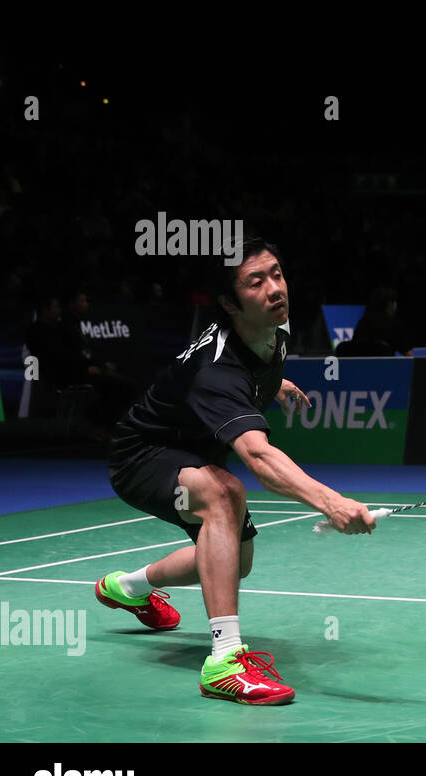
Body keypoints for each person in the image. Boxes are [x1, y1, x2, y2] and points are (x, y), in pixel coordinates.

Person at [98, 237, 375, 705]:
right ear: (229, 303)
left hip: (190, 451)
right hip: (141, 456)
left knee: (234, 562)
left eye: (277, 274)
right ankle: (224, 663)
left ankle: (126, 587)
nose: (274, 289)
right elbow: (260, 459)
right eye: (256, 281)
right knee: (224, 494)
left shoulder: (275, 331)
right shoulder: (217, 368)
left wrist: (276, 383)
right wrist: (332, 502)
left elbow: (254, 372)